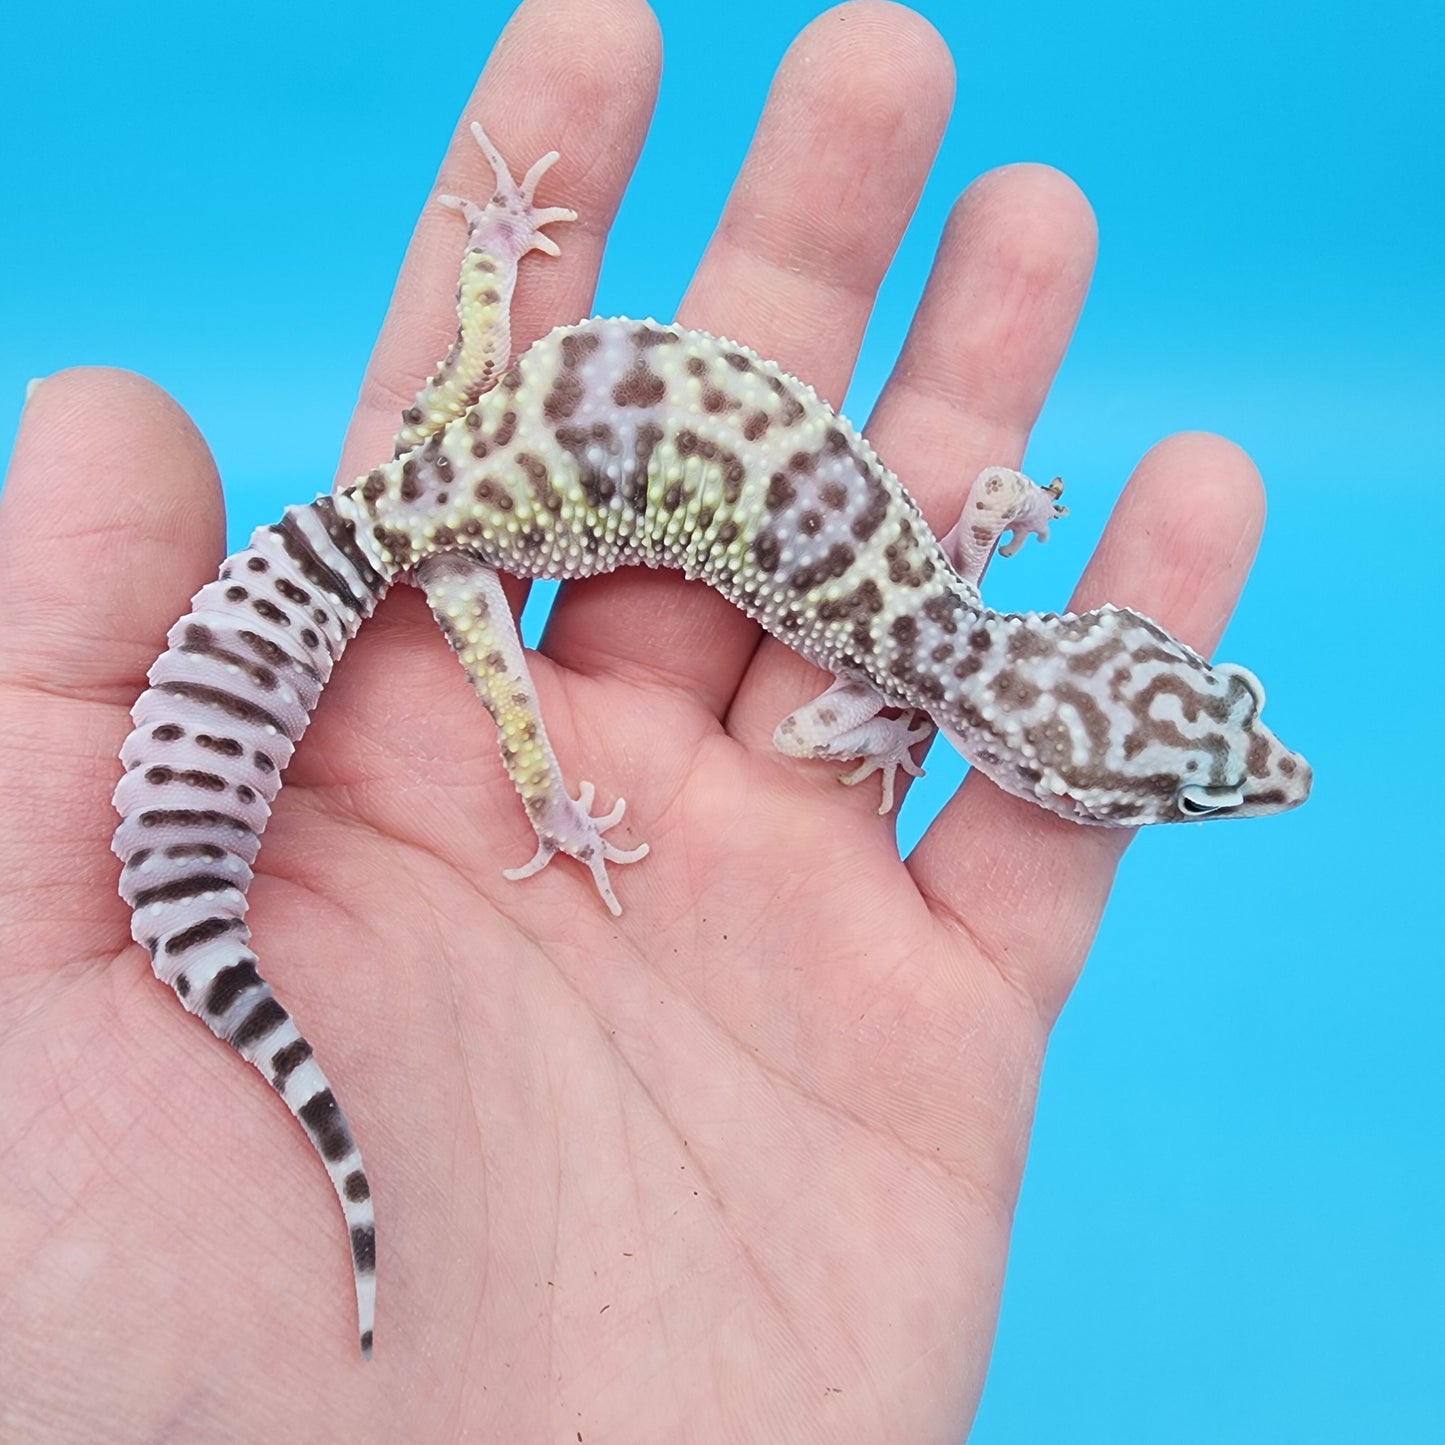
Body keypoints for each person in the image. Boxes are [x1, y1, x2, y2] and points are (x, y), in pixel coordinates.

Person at [0, 0, 1267, 1437]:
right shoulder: (913, 662)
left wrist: (491, 266)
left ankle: (485, 303)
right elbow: (818, 734)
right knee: (514, 718)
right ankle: (522, 813)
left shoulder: (940, 598)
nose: (1235, 777)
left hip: (476, 442)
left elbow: (959, 538)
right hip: (458, 524)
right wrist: (583, 794)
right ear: (1053, 742)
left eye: (1195, 768)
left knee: (488, 563)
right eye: (1195, 772)